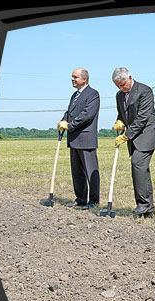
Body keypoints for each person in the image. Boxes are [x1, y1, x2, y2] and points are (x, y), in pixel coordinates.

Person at [112, 67, 155, 218]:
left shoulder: (144, 91)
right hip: (134, 136)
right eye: (118, 86)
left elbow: (143, 117)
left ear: (129, 77)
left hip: (147, 134)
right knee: (142, 170)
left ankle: (142, 205)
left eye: (123, 85)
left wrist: (126, 135)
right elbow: (122, 113)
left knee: (137, 164)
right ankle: (149, 209)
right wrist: (119, 121)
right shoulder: (119, 95)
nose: (122, 88)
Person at [57, 67, 100, 210]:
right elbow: (69, 112)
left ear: (84, 79)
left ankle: (93, 201)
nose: (72, 79)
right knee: (77, 172)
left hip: (86, 139)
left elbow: (87, 115)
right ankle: (81, 198)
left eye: (75, 77)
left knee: (90, 171)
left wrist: (70, 125)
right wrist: (63, 122)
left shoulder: (93, 94)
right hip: (74, 139)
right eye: (72, 77)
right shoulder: (74, 95)